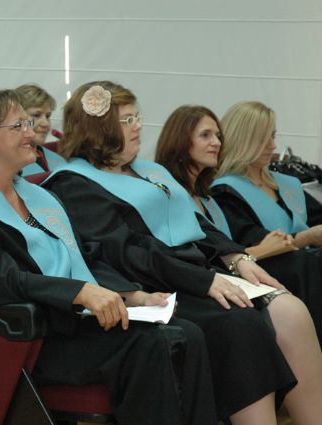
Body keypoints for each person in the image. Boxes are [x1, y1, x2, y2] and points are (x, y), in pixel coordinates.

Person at [0, 87, 218, 425]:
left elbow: (80, 257)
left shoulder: (34, 195)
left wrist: (133, 295)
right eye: (18, 127)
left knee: (186, 333)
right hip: (17, 337)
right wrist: (78, 293)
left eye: (29, 124)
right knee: (148, 344)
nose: (32, 133)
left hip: (66, 323)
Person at [43, 81, 298, 424]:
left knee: (283, 305)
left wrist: (236, 257)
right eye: (127, 119)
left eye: (138, 116)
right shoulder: (74, 183)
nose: (138, 126)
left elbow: (196, 222)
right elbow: (131, 251)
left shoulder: (148, 170)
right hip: (153, 285)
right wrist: (204, 280)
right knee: (239, 323)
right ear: (99, 129)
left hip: (192, 273)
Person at [155, 104, 322, 424]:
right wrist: (260, 251)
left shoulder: (206, 197)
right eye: (205, 135)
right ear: (180, 141)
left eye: (218, 134)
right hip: (195, 285)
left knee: (292, 307)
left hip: (235, 273)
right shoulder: (169, 196)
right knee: (290, 281)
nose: (217, 141)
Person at [213, 100, 322, 247]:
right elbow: (253, 246)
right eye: (263, 139)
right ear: (240, 140)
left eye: (273, 136)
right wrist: (306, 237)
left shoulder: (287, 184)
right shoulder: (224, 192)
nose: (273, 145)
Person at [15, 84, 66, 174]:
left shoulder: (59, 160)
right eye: (36, 115)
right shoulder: (4, 163)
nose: (45, 123)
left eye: (48, 116)